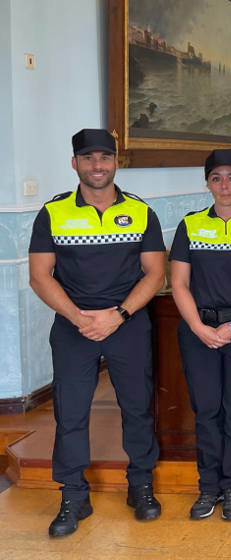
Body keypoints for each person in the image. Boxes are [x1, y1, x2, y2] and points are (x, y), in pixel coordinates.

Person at [30, 129, 166, 537]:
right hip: (73, 326)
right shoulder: (52, 214)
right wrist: (78, 316)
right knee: (70, 413)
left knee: (137, 408)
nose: (97, 165)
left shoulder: (142, 212)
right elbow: (40, 276)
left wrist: (117, 314)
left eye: (105, 157)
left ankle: (140, 485)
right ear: (75, 163)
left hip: (127, 324)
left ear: (116, 161)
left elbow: (155, 272)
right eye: (88, 158)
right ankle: (73, 495)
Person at [169, 149, 231, 521]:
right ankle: (208, 485)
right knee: (207, 409)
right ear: (207, 183)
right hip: (198, 331)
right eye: (216, 178)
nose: (224, 185)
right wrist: (199, 327)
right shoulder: (190, 225)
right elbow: (178, 283)